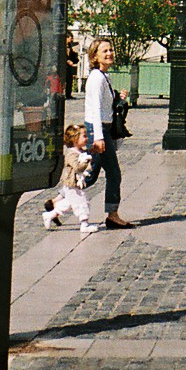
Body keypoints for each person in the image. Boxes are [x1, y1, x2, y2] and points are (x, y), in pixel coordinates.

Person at [83, 38, 135, 229]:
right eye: (104, 51)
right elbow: (95, 109)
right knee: (113, 173)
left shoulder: (104, 76)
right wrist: (97, 137)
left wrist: (117, 98)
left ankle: (56, 203)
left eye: (111, 50)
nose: (110, 53)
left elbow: (105, 105)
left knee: (90, 174)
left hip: (102, 128)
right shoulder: (96, 78)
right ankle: (112, 215)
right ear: (95, 56)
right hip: (97, 129)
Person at [42, 123, 100, 234]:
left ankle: (49, 215)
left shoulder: (80, 151)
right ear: (75, 139)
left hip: (75, 184)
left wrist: (92, 151)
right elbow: (78, 167)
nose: (87, 138)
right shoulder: (71, 154)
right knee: (83, 202)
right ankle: (84, 225)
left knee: (69, 204)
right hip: (71, 184)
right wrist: (87, 161)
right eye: (84, 136)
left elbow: (85, 153)